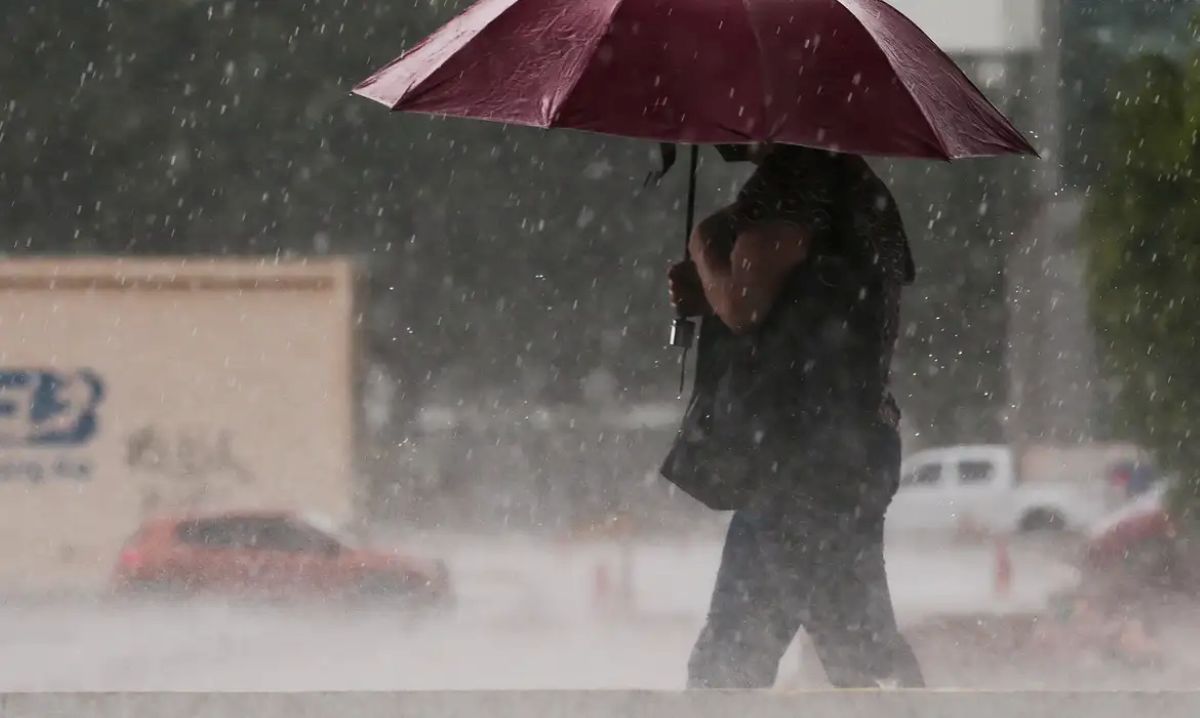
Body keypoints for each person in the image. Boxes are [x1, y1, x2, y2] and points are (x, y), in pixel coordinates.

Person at [665, 143, 925, 689]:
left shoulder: (795, 180)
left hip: (799, 458)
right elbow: (803, 306)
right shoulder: (857, 185)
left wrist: (705, 247)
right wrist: (711, 288)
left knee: (858, 657)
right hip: (835, 450)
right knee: (733, 660)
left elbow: (743, 304)